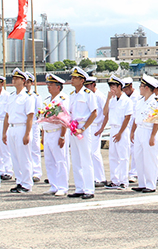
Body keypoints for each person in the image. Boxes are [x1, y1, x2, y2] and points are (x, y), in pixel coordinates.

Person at [67, 67, 98, 199]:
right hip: (73, 127)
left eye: (75, 78)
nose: (72, 80)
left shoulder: (88, 94)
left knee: (86, 159)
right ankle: (79, 187)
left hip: (83, 128)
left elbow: (94, 113)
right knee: (76, 158)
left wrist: (83, 128)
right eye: (72, 77)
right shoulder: (71, 95)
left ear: (82, 80)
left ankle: (89, 189)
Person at [3, 68, 35, 193]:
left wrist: (27, 133)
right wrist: (4, 132)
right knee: (15, 157)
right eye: (13, 78)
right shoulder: (11, 97)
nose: (14, 80)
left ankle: (27, 183)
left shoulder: (27, 97)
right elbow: (7, 116)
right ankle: (19, 181)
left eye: (17, 79)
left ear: (23, 81)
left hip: (22, 127)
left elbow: (30, 116)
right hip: (12, 128)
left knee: (24, 157)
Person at [99, 74, 133, 190]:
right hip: (113, 128)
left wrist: (120, 133)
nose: (112, 89)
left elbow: (127, 118)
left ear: (119, 87)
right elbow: (105, 113)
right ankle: (114, 180)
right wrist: (108, 99)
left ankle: (123, 181)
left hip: (122, 129)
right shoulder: (112, 101)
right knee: (113, 156)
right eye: (110, 87)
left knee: (123, 156)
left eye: (113, 87)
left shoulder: (127, 101)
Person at [131, 74, 158, 193]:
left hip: (149, 131)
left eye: (141, 86)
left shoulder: (155, 102)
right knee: (138, 157)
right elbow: (136, 118)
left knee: (150, 158)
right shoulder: (140, 101)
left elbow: (157, 120)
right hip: (140, 129)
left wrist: (153, 136)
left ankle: (151, 184)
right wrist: (133, 132)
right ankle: (142, 183)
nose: (139, 88)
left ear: (147, 88)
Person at [41, 73, 70, 196]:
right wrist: (42, 136)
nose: (48, 87)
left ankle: (63, 187)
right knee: (49, 160)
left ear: (58, 86)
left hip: (58, 132)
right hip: (47, 132)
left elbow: (65, 119)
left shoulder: (63, 99)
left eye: (51, 85)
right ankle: (54, 185)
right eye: (48, 84)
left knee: (60, 160)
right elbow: (42, 118)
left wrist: (62, 136)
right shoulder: (47, 100)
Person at [85, 76, 108, 188]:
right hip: (89, 126)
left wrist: (102, 128)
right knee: (89, 153)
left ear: (93, 85)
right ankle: (94, 177)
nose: (86, 87)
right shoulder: (88, 95)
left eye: (88, 85)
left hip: (96, 126)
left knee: (95, 152)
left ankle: (100, 178)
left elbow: (106, 113)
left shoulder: (100, 96)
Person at [25, 72, 43, 183]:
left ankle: (36, 172)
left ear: (31, 83)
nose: (26, 85)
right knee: (24, 149)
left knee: (35, 148)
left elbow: (39, 112)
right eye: (25, 82)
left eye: (28, 82)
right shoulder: (21, 95)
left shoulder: (36, 96)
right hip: (24, 125)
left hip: (34, 124)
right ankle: (26, 172)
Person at [122, 77, 139, 183]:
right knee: (126, 150)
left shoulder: (138, 97)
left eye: (126, 89)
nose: (124, 91)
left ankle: (134, 173)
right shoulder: (125, 97)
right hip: (126, 126)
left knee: (134, 150)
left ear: (131, 86)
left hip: (135, 126)